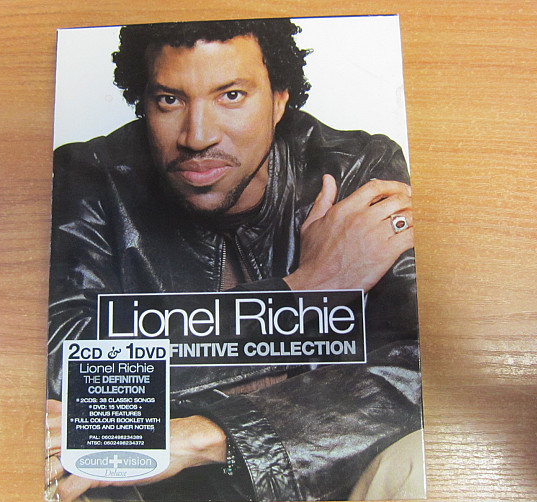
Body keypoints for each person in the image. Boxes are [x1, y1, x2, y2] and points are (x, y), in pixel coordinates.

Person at [46, 18, 423, 502]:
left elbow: (420, 367)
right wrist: (303, 292)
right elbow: (65, 363)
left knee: (418, 466)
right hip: (146, 492)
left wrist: (210, 436)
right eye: (170, 100)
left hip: (328, 484)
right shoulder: (93, 177)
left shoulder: (352, 170)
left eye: (231, 95)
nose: (197, 136)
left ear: (280, 98)